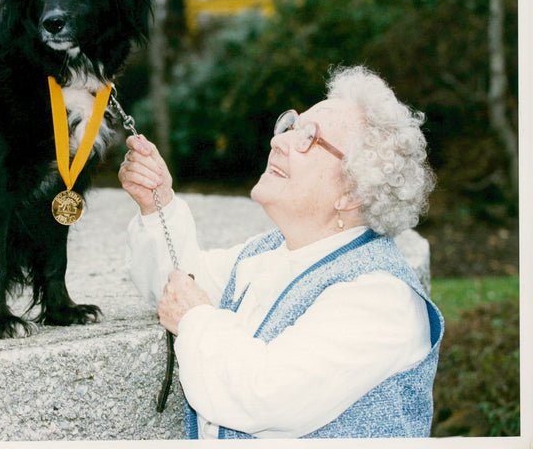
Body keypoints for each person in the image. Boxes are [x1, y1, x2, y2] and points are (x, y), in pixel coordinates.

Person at [118, 65, 444, 439]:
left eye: (309, 137)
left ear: (354, 193)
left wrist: (195, 320)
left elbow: (265, 395)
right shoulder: (275, 251)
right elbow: (182, 285)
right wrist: (158, 202)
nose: (280, 141)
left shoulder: (381, 299)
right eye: (290, 126)